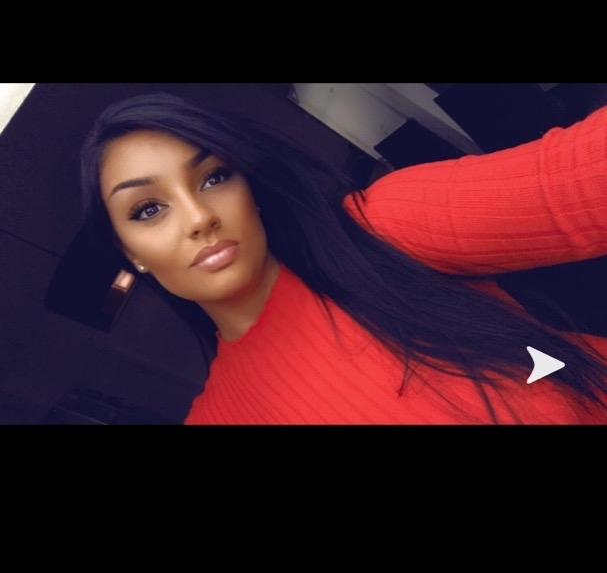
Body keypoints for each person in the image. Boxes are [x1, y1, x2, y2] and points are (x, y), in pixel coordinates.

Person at [80, 91, 607, 425]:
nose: (199, 217)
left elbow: (577, 180)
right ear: (130, 253)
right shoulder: (222, 416)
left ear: (250, 191)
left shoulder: (375, 231)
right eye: (148, 209)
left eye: (214, 177)